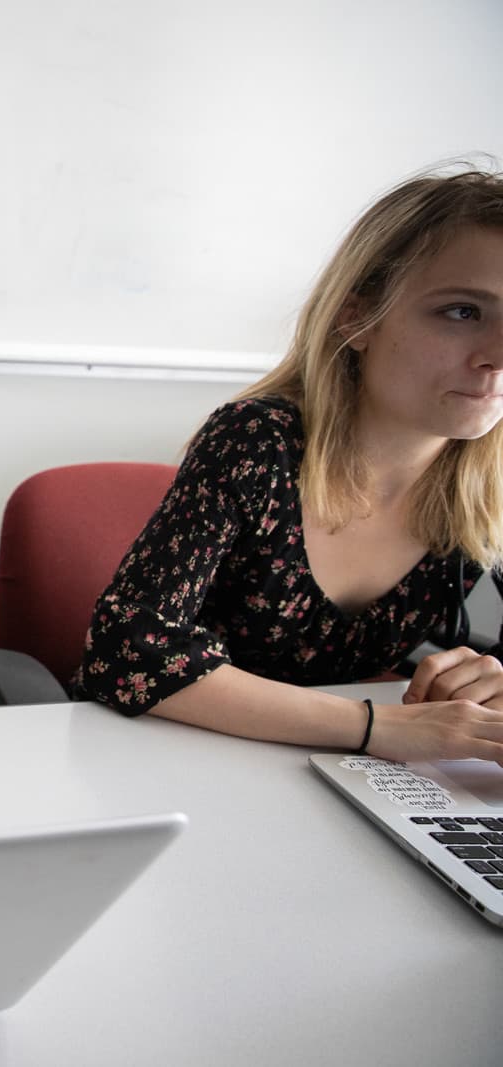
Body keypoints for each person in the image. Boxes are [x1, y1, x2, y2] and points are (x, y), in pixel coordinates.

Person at [75, 169, 503, 765]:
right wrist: (379, 726)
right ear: (357, 319)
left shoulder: (492, 478)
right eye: (463, 312)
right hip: (173, 759)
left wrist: (492, 678)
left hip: (346, 776)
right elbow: (125, 651)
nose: (498, 355)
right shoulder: (257, 441)